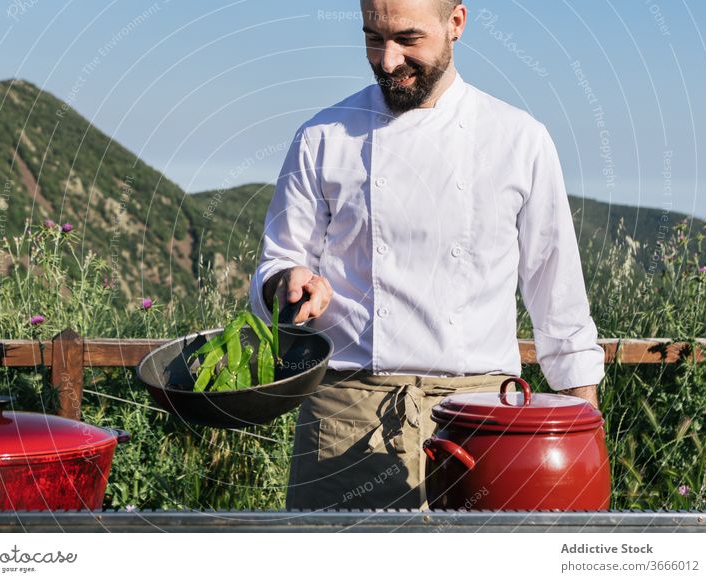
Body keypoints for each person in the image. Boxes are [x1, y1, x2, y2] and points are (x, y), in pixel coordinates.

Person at [249, 0, 605, 510]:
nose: (388, 60)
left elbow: (558, 295)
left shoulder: (520, 140)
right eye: (373, 37)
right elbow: (275, 263)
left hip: (483, 422)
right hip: (346, 416)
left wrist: (583, 429)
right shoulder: (321, 138)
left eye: (408, 40)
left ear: (456, 24)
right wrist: (284, 281)